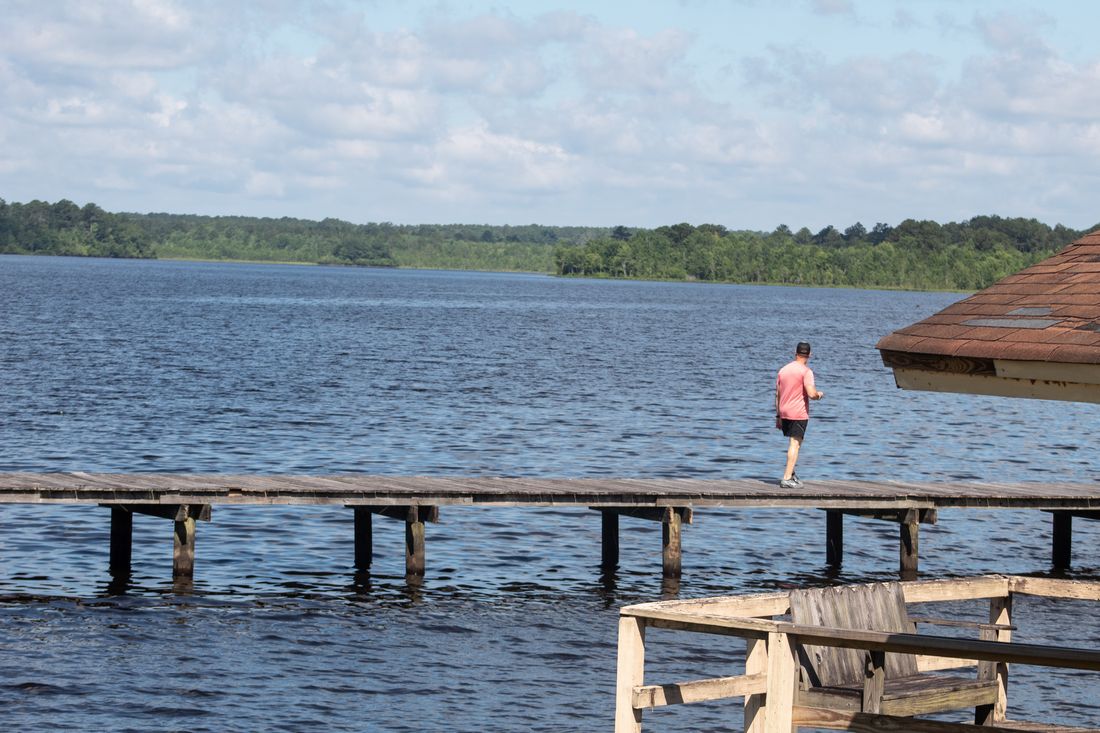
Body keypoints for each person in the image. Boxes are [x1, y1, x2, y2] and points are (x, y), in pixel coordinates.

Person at [775, 342, 823, 488]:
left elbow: (777, 394)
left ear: (795, 353)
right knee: (795, 443)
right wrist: (819, 395)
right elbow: (811, 393)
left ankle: (792, 473)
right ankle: (787, 478)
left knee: (794, 443)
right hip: (798, 412)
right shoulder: (806, 371)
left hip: (784, 410)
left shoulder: (783, 370)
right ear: (809, 354)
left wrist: (778, 416)